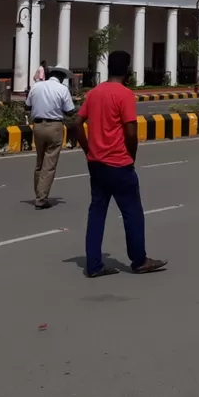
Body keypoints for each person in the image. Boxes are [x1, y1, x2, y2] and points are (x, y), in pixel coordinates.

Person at [73, 50, 166, 278]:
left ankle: (93, 265)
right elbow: (131, 131)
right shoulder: (124, 95)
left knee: (97, 212)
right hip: (119, 163)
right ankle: (139, 260)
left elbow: (77, 123)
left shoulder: (94, 93)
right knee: (132, 212)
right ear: (127, 70)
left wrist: (88, 150)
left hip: (96, 163)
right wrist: (131, 155)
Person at [26, 64, 75, 209]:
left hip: (38, 126)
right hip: (54, 127)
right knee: (50, 164)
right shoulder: (62, 89)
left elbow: (27, 106)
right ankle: (41, 199)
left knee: (39, 162)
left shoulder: (37, 87)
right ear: (61, 78)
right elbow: (70, 111)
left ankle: (39, 193)